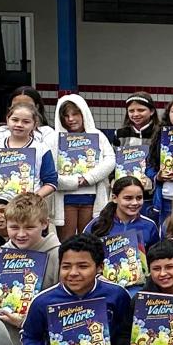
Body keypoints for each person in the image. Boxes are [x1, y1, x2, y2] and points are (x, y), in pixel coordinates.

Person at [0, 195, 57, 329]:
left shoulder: (58, 256)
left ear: (45, 223)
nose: (21, 234)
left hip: (42, 339)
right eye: (14, 227)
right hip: (2, 337)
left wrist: (26, 323)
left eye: (29, 227)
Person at [52, 94, 116, 239]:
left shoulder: (97, 135)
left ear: (84, 113)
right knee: (67, 242)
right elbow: (49, 170)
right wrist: (73, 182)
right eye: (66, 115)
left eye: (75, 114)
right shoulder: (54, 139)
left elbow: (110, 160)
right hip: (66, 199)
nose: (71, 119)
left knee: (88, 240)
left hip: (92, 197)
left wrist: (88, 178)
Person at [0, 100, 59, 208]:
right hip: (1, 209)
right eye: (15, 120)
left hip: (31, 209)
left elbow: (51, 182)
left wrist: (32, 199)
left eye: (26, 122)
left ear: (35, 124)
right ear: (7, 120)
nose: (19, 125)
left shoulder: (42, 149)